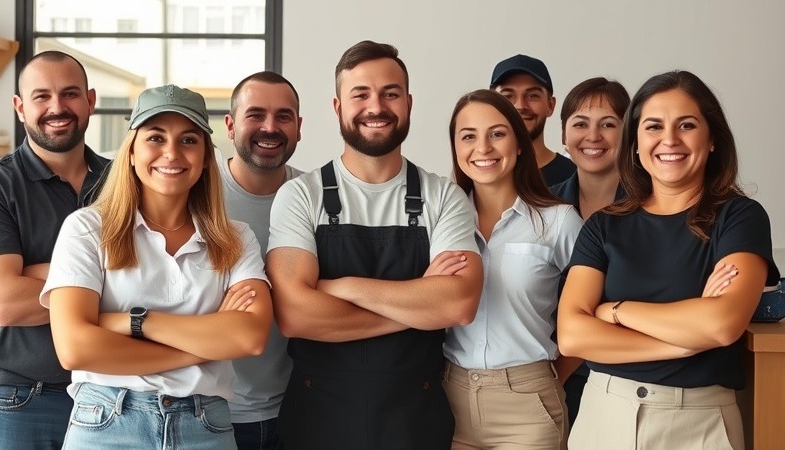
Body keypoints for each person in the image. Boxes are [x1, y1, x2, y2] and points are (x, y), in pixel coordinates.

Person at [267, 40, 484, 450]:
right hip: (318, 421)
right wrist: (417, 309)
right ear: (337, 108)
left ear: (409, 103)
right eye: (360, 94)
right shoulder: (300, 196)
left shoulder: (444, 196)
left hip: (415, 421)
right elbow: (295, 315)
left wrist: (341, 286)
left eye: (390, 93)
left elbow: (457, 305)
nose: (376, 106)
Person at [40, 84, 273, 449]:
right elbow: (75, 348)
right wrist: (203, 348)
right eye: (155, 137)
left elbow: (249, 337)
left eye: (188, 140)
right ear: (131, 152)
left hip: (204, 426)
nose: (171, 153)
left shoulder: (235, 237)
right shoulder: (87, 229)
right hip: (106, 423)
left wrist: (134, 321)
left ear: (206, 157)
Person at [557, 70, 781, 450]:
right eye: (654, 126)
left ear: (711, 140)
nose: (670, 140)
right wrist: (683, 343)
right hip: (605, 415)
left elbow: (721, 324)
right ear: (636, 144)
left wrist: (616, 311)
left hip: (701, 423)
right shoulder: (604, 226)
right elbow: (573, 335)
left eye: (687, 125)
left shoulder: (740, 217)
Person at [443, 89, 583, 449]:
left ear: (519, 144)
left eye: (497, 134)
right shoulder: (440, 221)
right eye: (469, 136)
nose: (483, 148)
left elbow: (597, 303)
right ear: (456, 149)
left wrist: (552, 375)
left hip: (528, 405)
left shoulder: (558, 222)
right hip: (449, 400)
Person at [0, 50, 109, 449]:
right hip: (23, 400)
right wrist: (113, 274)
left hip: (115, 397)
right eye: (42, 96)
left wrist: (39, 274)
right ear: (20, 108)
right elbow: (4, 301)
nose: (57, 107)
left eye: (70, 94)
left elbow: (157, 277)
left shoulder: (124, 183)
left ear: (90, 101)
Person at [220, 71, 303, 450]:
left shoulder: (316, 196)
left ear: (299, 127)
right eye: (256, 115)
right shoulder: (192, 193)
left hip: (299, 410)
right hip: (211, 413)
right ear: (230, 124)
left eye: (283, 116)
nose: (270, 127)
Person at [549, 77, 630, 425]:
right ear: (564, 136)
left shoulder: (655, 209)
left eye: (608, 124)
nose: (593, 136)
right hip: (547, 378)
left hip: (624, 377)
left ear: (629, 135)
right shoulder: (541, 207)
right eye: (580, 124)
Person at [490, 53, 576, 186]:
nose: (520, 106)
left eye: (532, 96)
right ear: (491, 106)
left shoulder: (574, 177)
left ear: (550, 105)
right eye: (507, 96)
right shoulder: (480, 174)